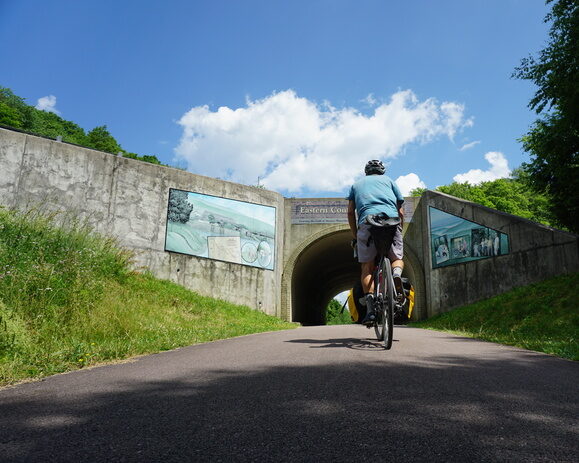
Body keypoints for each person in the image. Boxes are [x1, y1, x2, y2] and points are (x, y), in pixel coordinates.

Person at [347, 160, 404, 325]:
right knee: (396, 257)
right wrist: (400, 229)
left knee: (367, 267)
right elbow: (400, 211)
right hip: (391, 221)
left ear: (366, 171)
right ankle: (396, 275)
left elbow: (351, 212)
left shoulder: (356, 185)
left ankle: (371, 309)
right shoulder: (390, 182)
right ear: (382, 171)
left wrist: (356, 235)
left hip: (368, 222)